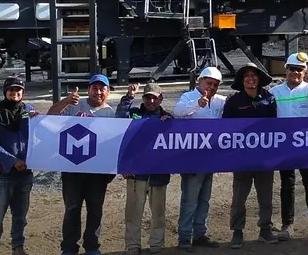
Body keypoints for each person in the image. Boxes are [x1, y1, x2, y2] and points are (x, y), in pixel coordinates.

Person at [47, 74, 117, 255]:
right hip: (72, 168)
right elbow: (50, 117)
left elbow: (113, 143)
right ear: (89, 89)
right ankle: (69, 247)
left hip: (97, 172)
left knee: (95, 210)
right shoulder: (74, 104)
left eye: (102, 88)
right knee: (72, 209)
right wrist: (66, 101)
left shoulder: (110, 113)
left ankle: (92, 247)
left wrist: (110, 171)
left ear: (108, 92)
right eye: (95, 88)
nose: (98, 92)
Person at [268, 52, 308, 244]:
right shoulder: (276, 92)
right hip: (285, 147)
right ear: (286, 70)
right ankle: (287, 225)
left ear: (305, 71)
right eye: (292, 69)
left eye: (299, 70)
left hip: (306, 147)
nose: (295, 73)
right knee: (287, 186)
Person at [222, 62, 279, 249]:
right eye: (246, 75)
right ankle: (237, 232)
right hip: (241, 158)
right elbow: (225, 130)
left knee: (266, 196)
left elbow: (275, 128)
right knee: (239, 197)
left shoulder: (269, 99)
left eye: (254, 75)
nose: (250, 78)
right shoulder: (233, 102)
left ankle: (265, 230)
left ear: (259, 79)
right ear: (242, 80)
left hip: (264, 158)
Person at [172, 67, 226, 251]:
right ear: (199, 81)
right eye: (209, 83)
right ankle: (185, 237)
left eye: (215, 85)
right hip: (192, 157)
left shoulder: (219, 101)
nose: (211, 87)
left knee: (204, 199)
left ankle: (200, 234)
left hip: (210, 157)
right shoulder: (188, 97)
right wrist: (198, 104)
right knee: (190, 198)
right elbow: (177, 112)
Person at [0, 76, 39, 255]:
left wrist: (37, 121)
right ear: (5, 92)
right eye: (11, 90)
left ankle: (18, 249)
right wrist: (12, 161)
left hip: (25, 174)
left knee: (20, 217)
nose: (14, 93)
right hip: (1, 173)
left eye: (18, 90)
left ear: (23, 92)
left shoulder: (30, 112)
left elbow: (40, 135)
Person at [118, 83, 173, 255]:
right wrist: (128, 96)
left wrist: (170, 125)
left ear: (160, 98)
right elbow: (119, 118)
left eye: (154, 97)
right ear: (143, 98)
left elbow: (177, 142)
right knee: (133, 213)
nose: (151, 100)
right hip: (136, 172)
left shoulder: (168, 118)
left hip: (159, 173)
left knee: (158, 212)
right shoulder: (134, 114)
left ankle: (157, 244)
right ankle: (132, 245)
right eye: (148, 97)